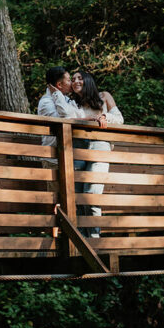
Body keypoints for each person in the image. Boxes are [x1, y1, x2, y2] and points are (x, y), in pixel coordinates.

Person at [36, 66, 105, 236]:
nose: (72, 83)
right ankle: (56, 238)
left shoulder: (69, 100)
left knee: (79, 196)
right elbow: (66, 118)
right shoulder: (46, 101)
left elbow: (74, 114)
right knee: (58, 199)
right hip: (54, 158)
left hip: (70, 155)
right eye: (68, 80)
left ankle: (83, 236)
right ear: (59, 85)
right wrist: (87, 119)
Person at [71, 71, 124, 238]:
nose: (75, 81)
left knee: (92, 194)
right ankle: (82, 241)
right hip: (78, 145)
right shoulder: (72, 102)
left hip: (99, 144)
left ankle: (94, 240)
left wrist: (103, 116)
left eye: (79, 78)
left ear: (88, 80)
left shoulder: (104, 96)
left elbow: (119, 118)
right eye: (72, 79)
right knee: (78, 197)